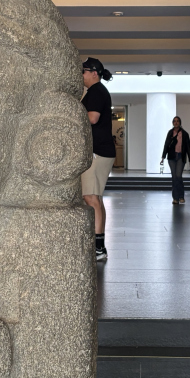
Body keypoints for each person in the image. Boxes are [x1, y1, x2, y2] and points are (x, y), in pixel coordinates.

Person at [80, 57, 117, 260]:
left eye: (83, 71)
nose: (81, 75)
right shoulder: (97, 91)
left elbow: (92, 118)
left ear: (94, 73)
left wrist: (71, 117)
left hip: (97, 151)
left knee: (90, 197)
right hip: (102, 151)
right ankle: (99, 246)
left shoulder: (96, 91)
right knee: (96, 198)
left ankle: (99, 248)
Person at [159, 116, 190, 205]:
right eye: (174, 121)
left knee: (178, 176)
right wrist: (163, 157)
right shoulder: (170, 133)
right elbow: (166, 144)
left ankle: (181, 196)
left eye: (177, 121)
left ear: (180, 122)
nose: (176, 122)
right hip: (171, 157)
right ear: (172, 123)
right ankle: (175, 198)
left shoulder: (185, 134)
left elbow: (188, 147)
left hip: (180, 156)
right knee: (174, 177)